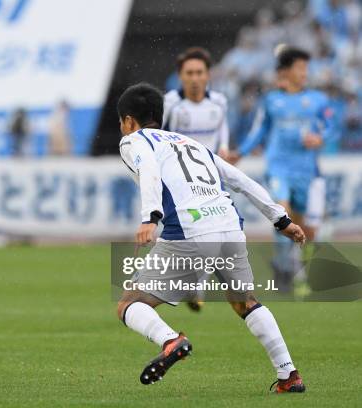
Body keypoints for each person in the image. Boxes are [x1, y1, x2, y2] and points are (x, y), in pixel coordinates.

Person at [117, 83, 306, 393]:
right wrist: (280, 219)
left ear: (127, 121)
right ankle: (289, 374)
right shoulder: (190, 143)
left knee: (129, 304)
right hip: (230, 227)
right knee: (246, 303)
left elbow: (148, 168)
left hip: (190, 231)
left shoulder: (133, 140)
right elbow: (239, 179)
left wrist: (150, 217)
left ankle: (170, 340)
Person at [230, 47, 334, 292]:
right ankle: (283, 267)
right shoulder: (272, 100)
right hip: (278, 166)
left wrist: (320, 137)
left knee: (299, 225)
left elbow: (331, 126)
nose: (305, 73)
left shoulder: (318, 100)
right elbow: (260, 130)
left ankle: (293, 267)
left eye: (306, 69)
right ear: (286, 71)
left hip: (305, 170)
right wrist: (241, 152)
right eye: (301, 68)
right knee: (282, 211)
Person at [162, 47, 230, 311]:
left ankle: (195, 285)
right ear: (180, 76)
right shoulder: (171, 103)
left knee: (216, 236)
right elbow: (158, 135)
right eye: (189, 73)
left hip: (211, 177)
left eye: (199, 72)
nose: (194, 78)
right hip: (179, 180)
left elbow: (222, 128)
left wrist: (224, 147)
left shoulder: (219, 102)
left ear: (208, 75)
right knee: (187, 236)